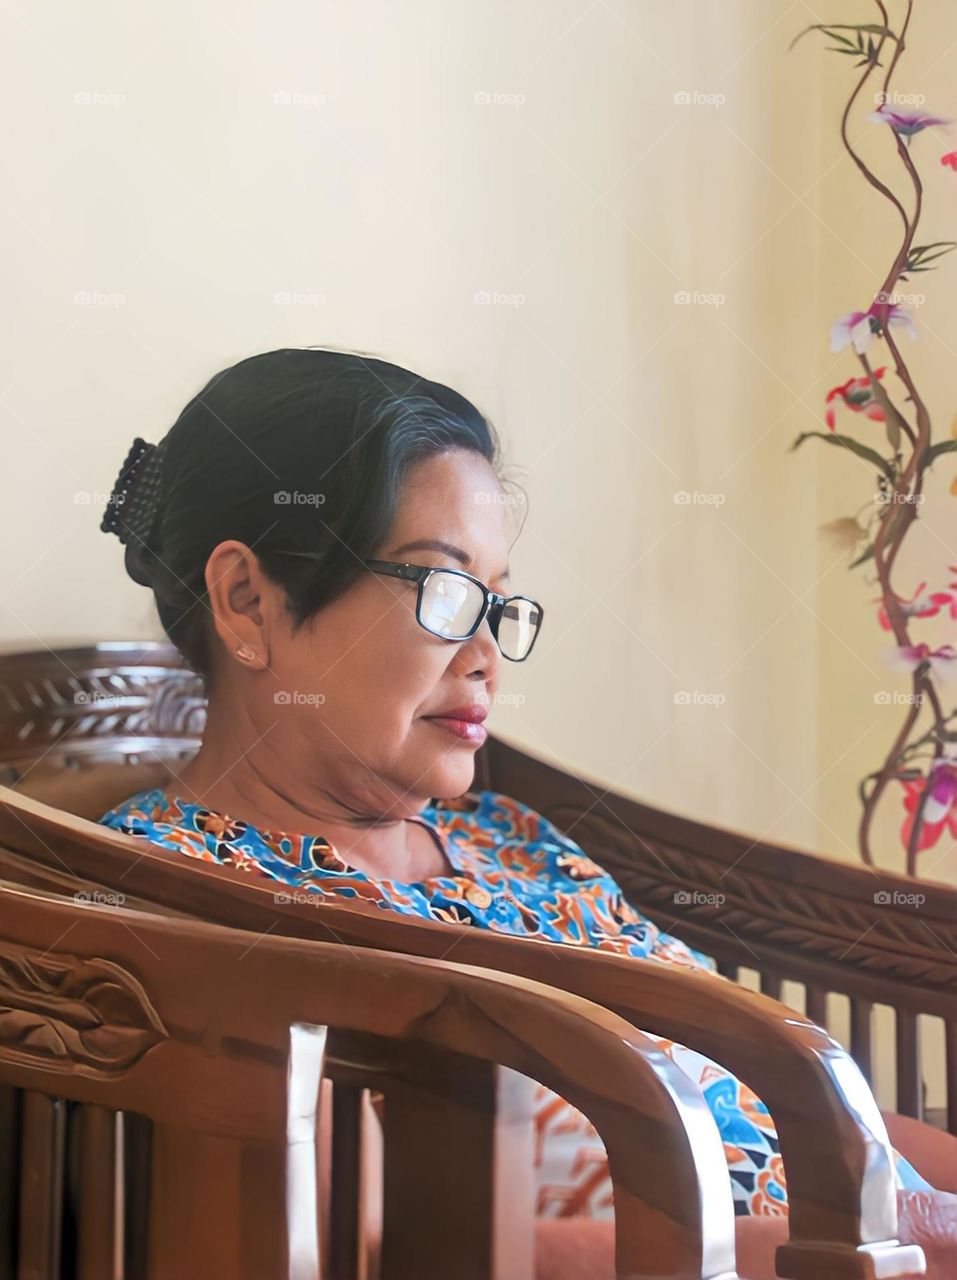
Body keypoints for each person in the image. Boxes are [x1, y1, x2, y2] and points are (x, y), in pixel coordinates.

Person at [97, 346, 933, 1220]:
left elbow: (796, 1115)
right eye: (446, 592)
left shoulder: (513, 840)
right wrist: (889, 1246)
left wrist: (927, 1215)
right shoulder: (193, 907)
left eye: (495, 603)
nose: (487, 657)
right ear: (246, 600)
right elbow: (384, 1253)